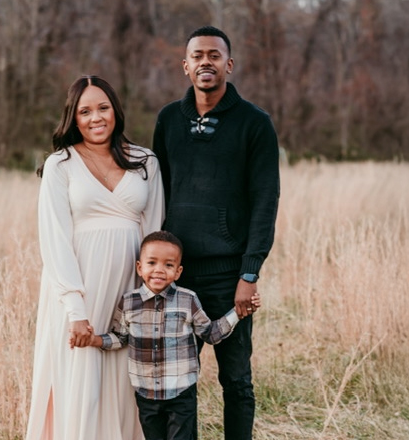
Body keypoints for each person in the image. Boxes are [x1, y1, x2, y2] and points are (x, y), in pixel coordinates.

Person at [152, 26, 281, 440]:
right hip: (178, 275)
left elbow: (266, 201)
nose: (205, 62)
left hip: (229, 278)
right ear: (185, 66)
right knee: (176, 383)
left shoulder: (255, 123)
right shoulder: (169, 119)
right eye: (197, 56)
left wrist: (249, 273)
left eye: (214, 55)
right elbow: (158, 190)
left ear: (229, 64)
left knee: (237, 380)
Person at [25, 75, 164, 440]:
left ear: (115, 111)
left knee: (122, 376)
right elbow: (55, 240)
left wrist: (150, 296)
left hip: (128, 288)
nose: (95, 118)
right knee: (81, 375)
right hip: (80, 289)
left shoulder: (145, 161)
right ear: (73, 118)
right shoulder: (61, 164)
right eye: (84, 111)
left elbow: (154, 232)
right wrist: (76, 310)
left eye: (102, 108)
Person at [71, 231, 260, 440]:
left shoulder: (188, 300)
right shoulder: (129, 302)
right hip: (146, 393)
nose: (159, 270)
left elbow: (210, 334)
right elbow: (120, 337)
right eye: (152, 263)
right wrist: (94, 340)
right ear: (139, 268)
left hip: (181, 393)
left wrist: (237, 314)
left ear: (178, 272)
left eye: (168, 265)